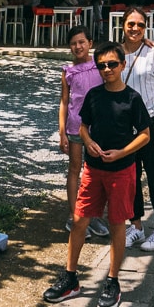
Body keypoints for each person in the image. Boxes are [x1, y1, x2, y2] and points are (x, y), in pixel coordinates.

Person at [43, 41, 150, 307]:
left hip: (121, 171)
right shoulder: (94, 95)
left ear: (123, 66)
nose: (107, 69)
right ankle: (71, 277)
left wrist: (122, 152)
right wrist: (88, 141)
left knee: (116, 223)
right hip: (93, 170)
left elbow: (145, 135)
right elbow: (83, 126)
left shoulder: (132, 99)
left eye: (112, 64)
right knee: (79, 220)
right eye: (101, 65)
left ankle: (113, 281)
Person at [121, 5, 154, 252]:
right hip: (124, 126)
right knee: (130, 178)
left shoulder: (153, 54)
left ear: (146, 28)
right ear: (122, 25)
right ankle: (137, 226)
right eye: (131, 24)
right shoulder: (116, 54)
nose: (135, 29)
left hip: (151, 123)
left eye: (140, 25)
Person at [57, 25, 110, 239]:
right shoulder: (68, 71)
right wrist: (62, 132)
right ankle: (74, 216)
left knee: (97, 172)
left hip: (99, 127)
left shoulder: (100, 65)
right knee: (74, 168)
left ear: (90, 43)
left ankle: (94, 215)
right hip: (75, 127)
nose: (78, 46)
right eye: (73, 43)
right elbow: (64, 101)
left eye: (82, 42)